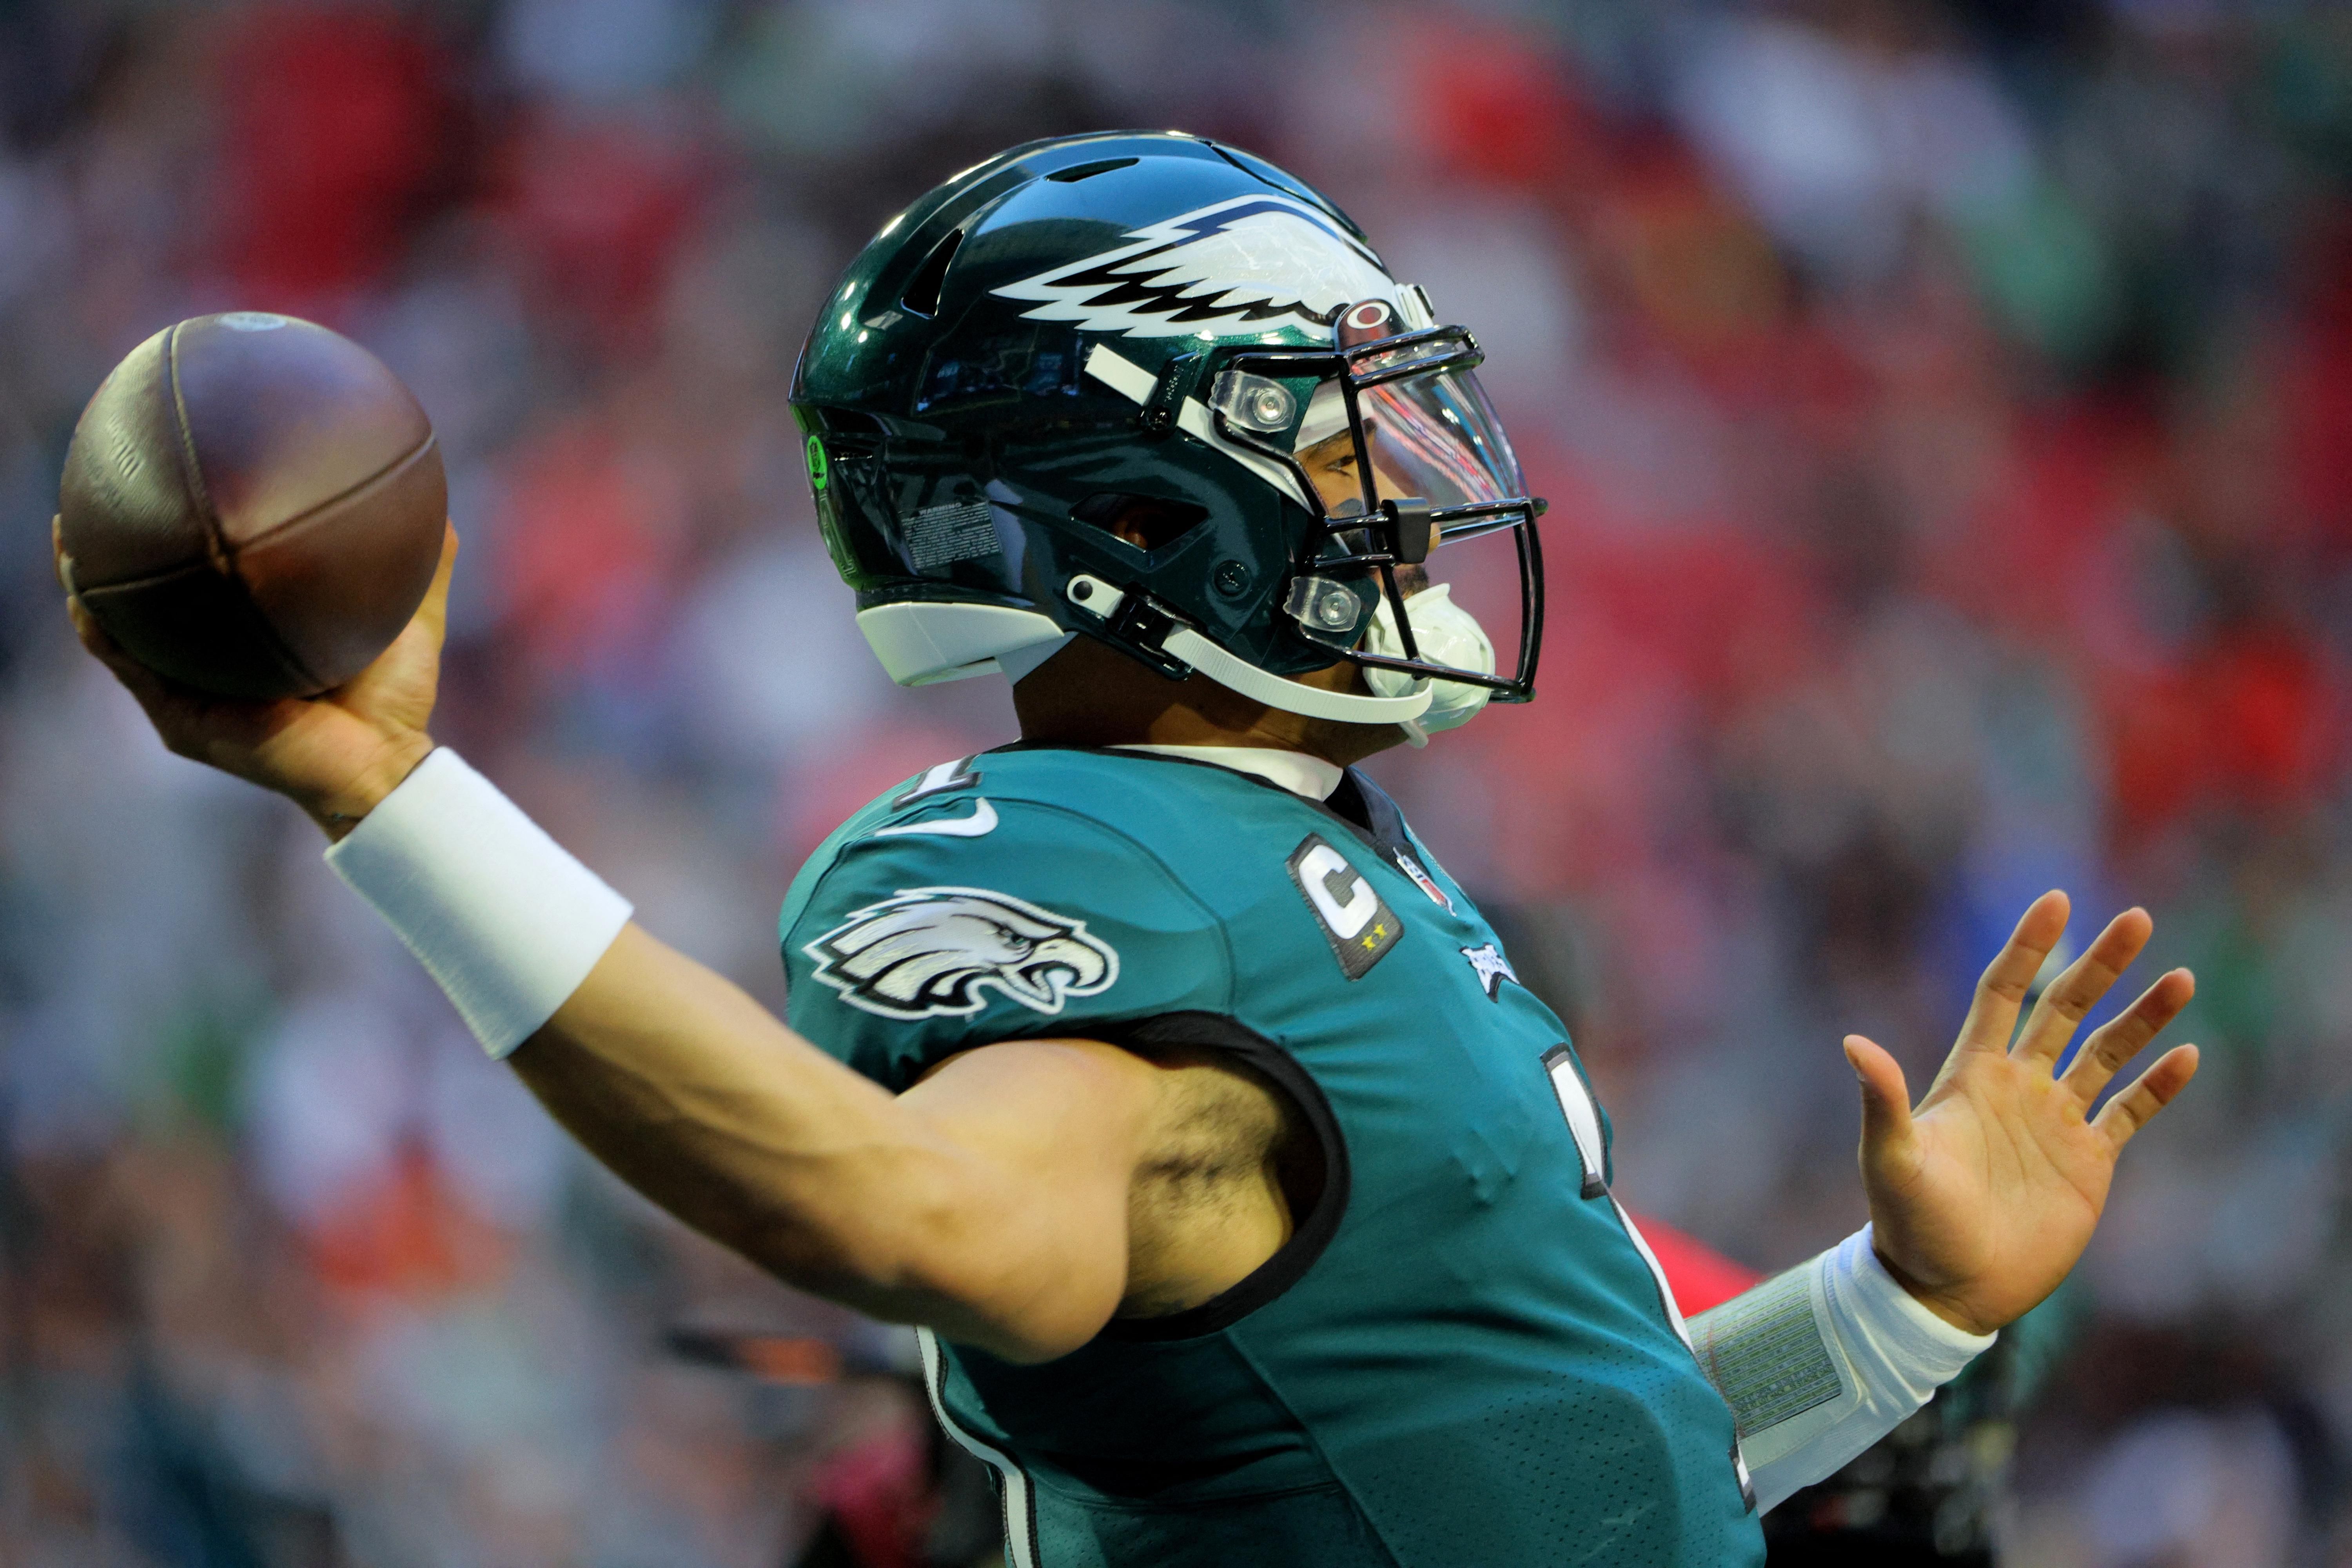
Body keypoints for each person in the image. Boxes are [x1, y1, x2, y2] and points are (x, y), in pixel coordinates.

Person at [58, 132, 2200, 1566]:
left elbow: (1548, 1469)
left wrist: (1897, 1320)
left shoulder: (1302, 859)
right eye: (1331, 420)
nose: (1417, 478)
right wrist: (396, 796)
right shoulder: (1115, 862)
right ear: (1145, 515)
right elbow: (914, 1212)